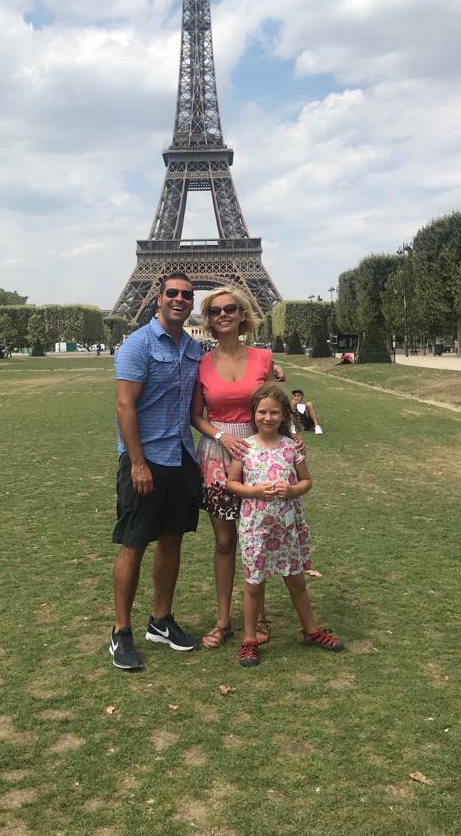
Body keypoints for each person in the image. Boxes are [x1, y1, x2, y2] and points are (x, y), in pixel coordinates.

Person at [110, 272, 203, 672]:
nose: (180, 299)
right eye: (173, 293)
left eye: (187, 294)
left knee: (172, 540)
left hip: (181, 457)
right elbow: (124, 406)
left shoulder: (194, 349)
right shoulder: (138, 344)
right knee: (134, 543)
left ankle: (160, 621)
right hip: (145, 460)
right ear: (158, 298)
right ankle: (120, 631)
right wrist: (136, 463)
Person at [190, 286, 286, 650]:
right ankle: (223, 620)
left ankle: (257, 615)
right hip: (217, 453)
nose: (223, 314)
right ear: (209, 320)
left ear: (243, 314)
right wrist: (220, 435)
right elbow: (195, 414)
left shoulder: (264, 359)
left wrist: (291, 442)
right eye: (215, 311)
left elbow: (274, 408)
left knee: (257, 538)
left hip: (258, 452)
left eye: (231, 308)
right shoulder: (201, 362)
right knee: (226, 540)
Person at [226, 385, 344, 667]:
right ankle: (250, 639)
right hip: (256, 528)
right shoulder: (244, 448)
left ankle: (311, 630)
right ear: (253, 413)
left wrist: (292, 491)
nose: (268, 418)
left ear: (283, 415)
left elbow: (306, 481)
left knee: (296, 580)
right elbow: (232, 483)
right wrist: (253, 492)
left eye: (274, 412)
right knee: (254, 583)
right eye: (262, 412)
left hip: (287, 527)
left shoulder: (292, 448)